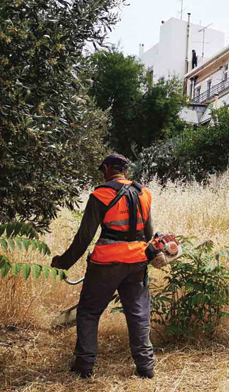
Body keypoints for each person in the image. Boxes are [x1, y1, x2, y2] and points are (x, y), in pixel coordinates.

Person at [51, 153, 156, 379]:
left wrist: (64, 262)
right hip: (137, 261)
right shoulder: (144, 194)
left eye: (103, 169)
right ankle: (145, 367)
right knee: (138, 314)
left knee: (89, 312)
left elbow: (85, 237)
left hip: (105, 263)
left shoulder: (100, 194)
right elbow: (148, 234)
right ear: (125, 170)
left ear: (108, 169)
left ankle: (84, 366)